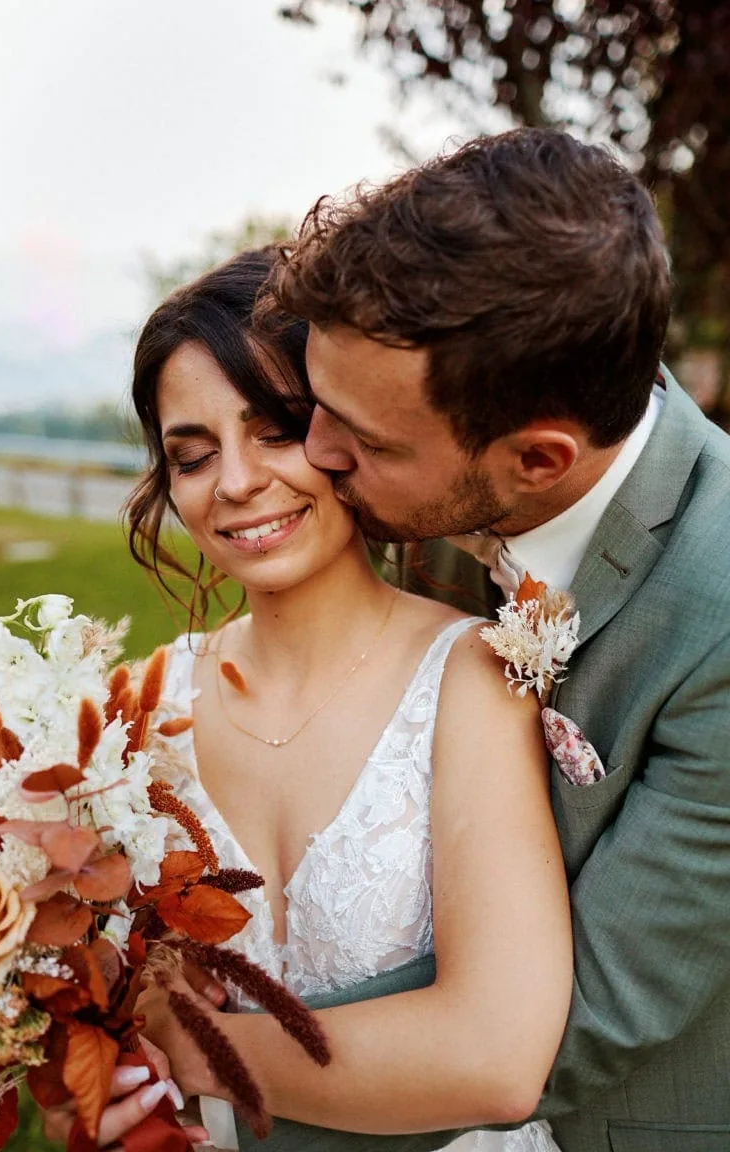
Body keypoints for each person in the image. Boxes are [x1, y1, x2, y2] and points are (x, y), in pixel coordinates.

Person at [254, 127, 730, 1152]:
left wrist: (195, 1084)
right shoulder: (431, 471)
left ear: (539, 460)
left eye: (368, 441)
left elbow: (575, 1018)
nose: (318, 454)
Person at [40, 249, 571, 1152]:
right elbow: (91, 1039)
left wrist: (194, 1045)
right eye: (195, 455)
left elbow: (496, 1059)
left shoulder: (472, 681)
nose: (237, 483)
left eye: (276, 430)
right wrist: (93, 1093)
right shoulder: (140, 716)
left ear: (344, 437)